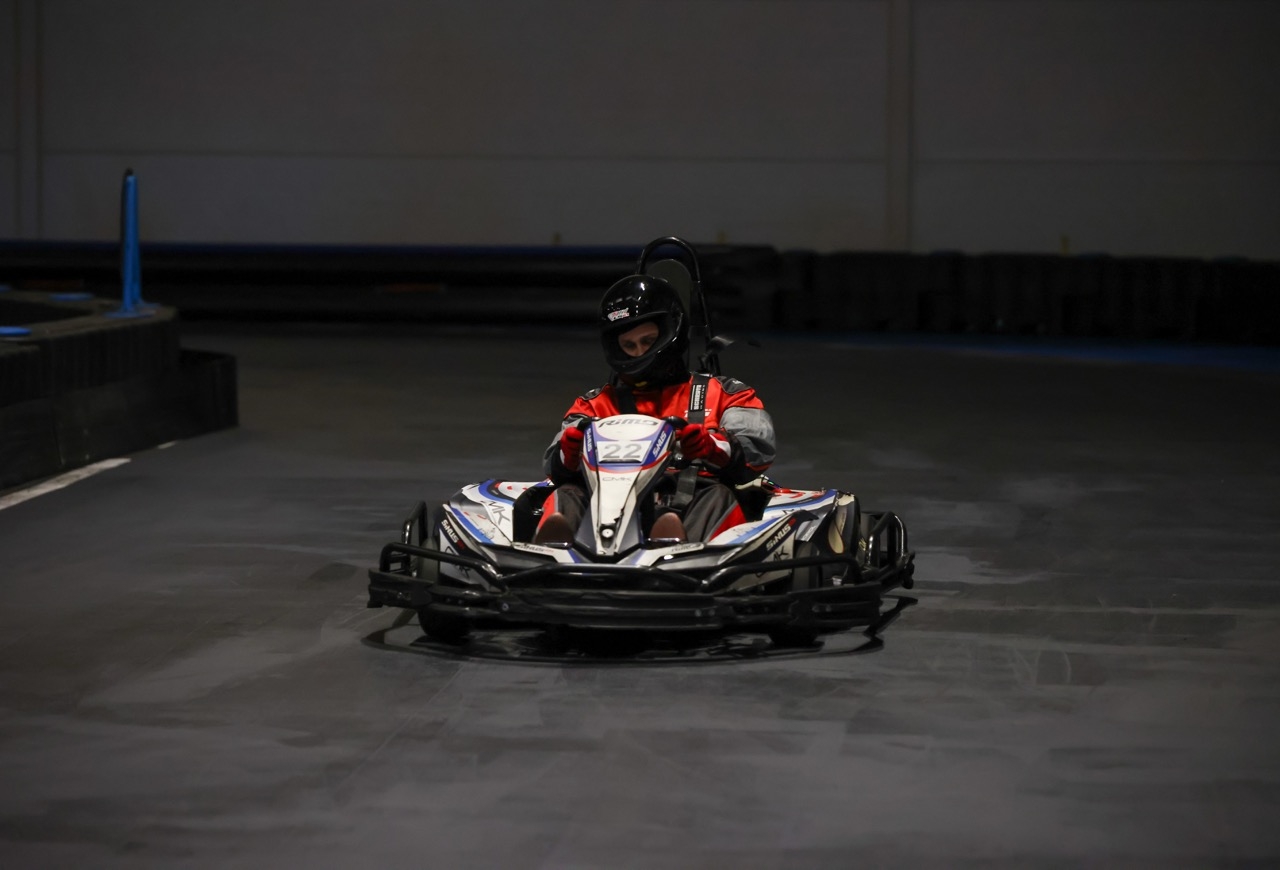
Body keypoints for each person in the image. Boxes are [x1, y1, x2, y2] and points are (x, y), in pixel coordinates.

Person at [535, 272, 775, 545]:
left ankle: (676, 550)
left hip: (693, 501)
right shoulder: (593, 404)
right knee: (566, 493)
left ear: (671, 333)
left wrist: (712, 448)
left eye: (647, 341)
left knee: (718, 495)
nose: (639, 352)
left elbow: (757, 452)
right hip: (608, 510)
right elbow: (553, 466)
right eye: (629, 345)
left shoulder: (726, 393)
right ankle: (556, 550)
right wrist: (568, 454)